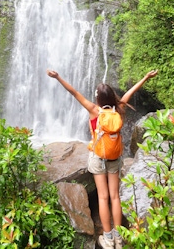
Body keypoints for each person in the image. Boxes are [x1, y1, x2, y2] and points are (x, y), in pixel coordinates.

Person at [46, 69, 158, 249]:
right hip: (115, 158)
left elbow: (74, 92)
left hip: (98, 157)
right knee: (115, 196)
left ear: (98, 99)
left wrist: (58, 77)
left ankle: (107, 239)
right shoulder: (119, 109)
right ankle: (119, 238)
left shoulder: (94, 110)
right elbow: (130, 92)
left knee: (103, 196)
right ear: (112, 97)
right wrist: (145, 77)